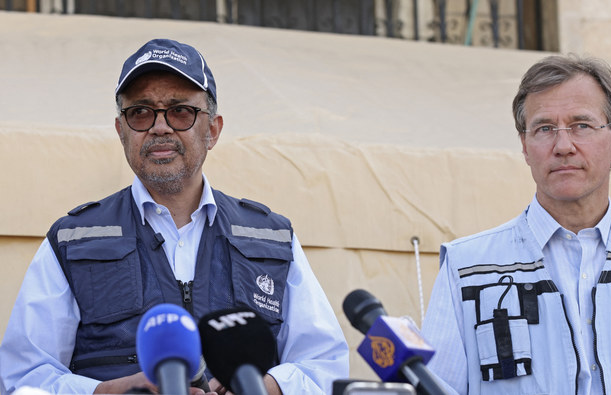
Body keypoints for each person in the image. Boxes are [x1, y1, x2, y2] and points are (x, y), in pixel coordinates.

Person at [0, 38, 349, 395]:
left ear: (212, 130)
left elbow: (324, 365)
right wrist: (107, 392)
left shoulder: (272, 237)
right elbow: (23, 377)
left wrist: (265, 386)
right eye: (140, 112)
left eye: (180, 111)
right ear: (121, 131)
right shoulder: (72, 239)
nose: (160, 127)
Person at [421, 54, 611, 395]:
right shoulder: (466, 269)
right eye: (544, 129)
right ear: (524, 145)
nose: (563, 146)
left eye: (581, 125)